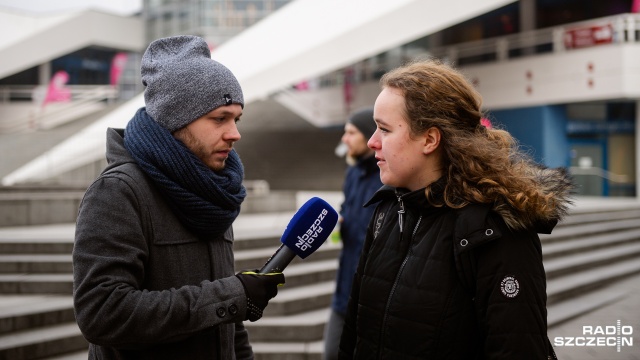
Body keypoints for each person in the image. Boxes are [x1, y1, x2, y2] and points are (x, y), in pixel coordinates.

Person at [338, 59, 572, 359]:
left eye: (384, 130)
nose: (372, 142)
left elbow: (517, 346)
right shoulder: (386, 211)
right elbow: (353, 337)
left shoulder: (494, 231)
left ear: (430, 139)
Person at [72, 35, 284, 359]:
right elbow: (102, 313)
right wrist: (230, 295)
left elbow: (227, 322)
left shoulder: (213, 192)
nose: (235, 133)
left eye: (236, 118)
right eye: (219, 118)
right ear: (175, 118)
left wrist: (233, 302)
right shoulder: (119, 192)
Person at [323, 108, 382, 360]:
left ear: (369, 135)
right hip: (344, 290)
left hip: (374, 296)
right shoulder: (352, 173)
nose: (344, 139)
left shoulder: (387, 178)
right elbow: (346, 210)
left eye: (351, 132)